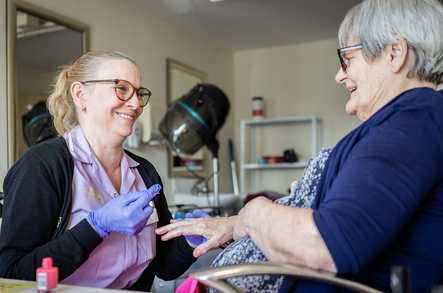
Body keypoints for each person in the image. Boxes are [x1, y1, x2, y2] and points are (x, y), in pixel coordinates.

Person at [156, 0, 443, 291]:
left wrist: (255, 211)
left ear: (394, 53)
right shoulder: (408, 121)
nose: (339, 75)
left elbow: (326, 245)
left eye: (347, 59)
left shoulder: (415, 119)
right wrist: (235, 223)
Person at [0, 51, 197, 290]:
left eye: (139, 93)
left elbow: (165, 267)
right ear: (81, 95)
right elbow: (11, 272)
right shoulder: (42, 166)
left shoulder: (144, 173)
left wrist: (191, 238)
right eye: (121, 88)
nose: (136, 104)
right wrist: (95, 227)